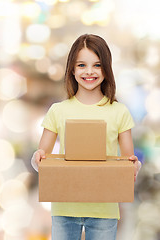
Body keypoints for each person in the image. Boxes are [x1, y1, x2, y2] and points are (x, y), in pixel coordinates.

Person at [31, 34, 142, 240]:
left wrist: (134, 166)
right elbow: (42, 157)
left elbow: (127, 161)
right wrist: (37, 157)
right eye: (81, 65)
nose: (89, 71)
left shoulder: (119, 112)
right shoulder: (58, 111)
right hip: (65, 207)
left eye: (97, 65)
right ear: (72, 70)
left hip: (104, 209)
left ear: (106, 69)